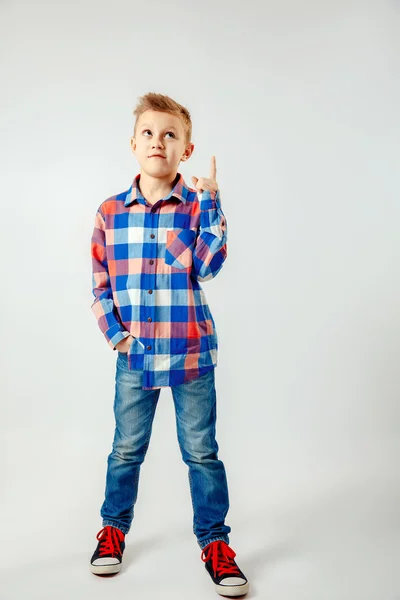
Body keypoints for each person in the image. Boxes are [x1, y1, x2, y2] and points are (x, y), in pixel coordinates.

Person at [89, 92, 249, 597]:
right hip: (135, 356)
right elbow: (99, 284)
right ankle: (113, 529)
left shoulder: (197, 205)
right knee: (125, 449)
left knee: (202, 453)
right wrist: (116, 337)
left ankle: (215, 542)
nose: (159, 141)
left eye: (170, 134)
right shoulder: (110, 212)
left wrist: (214, 203)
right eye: (149, 133)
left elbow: (207, 266)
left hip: (192, 354)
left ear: (187, 148)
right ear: (133, 145)